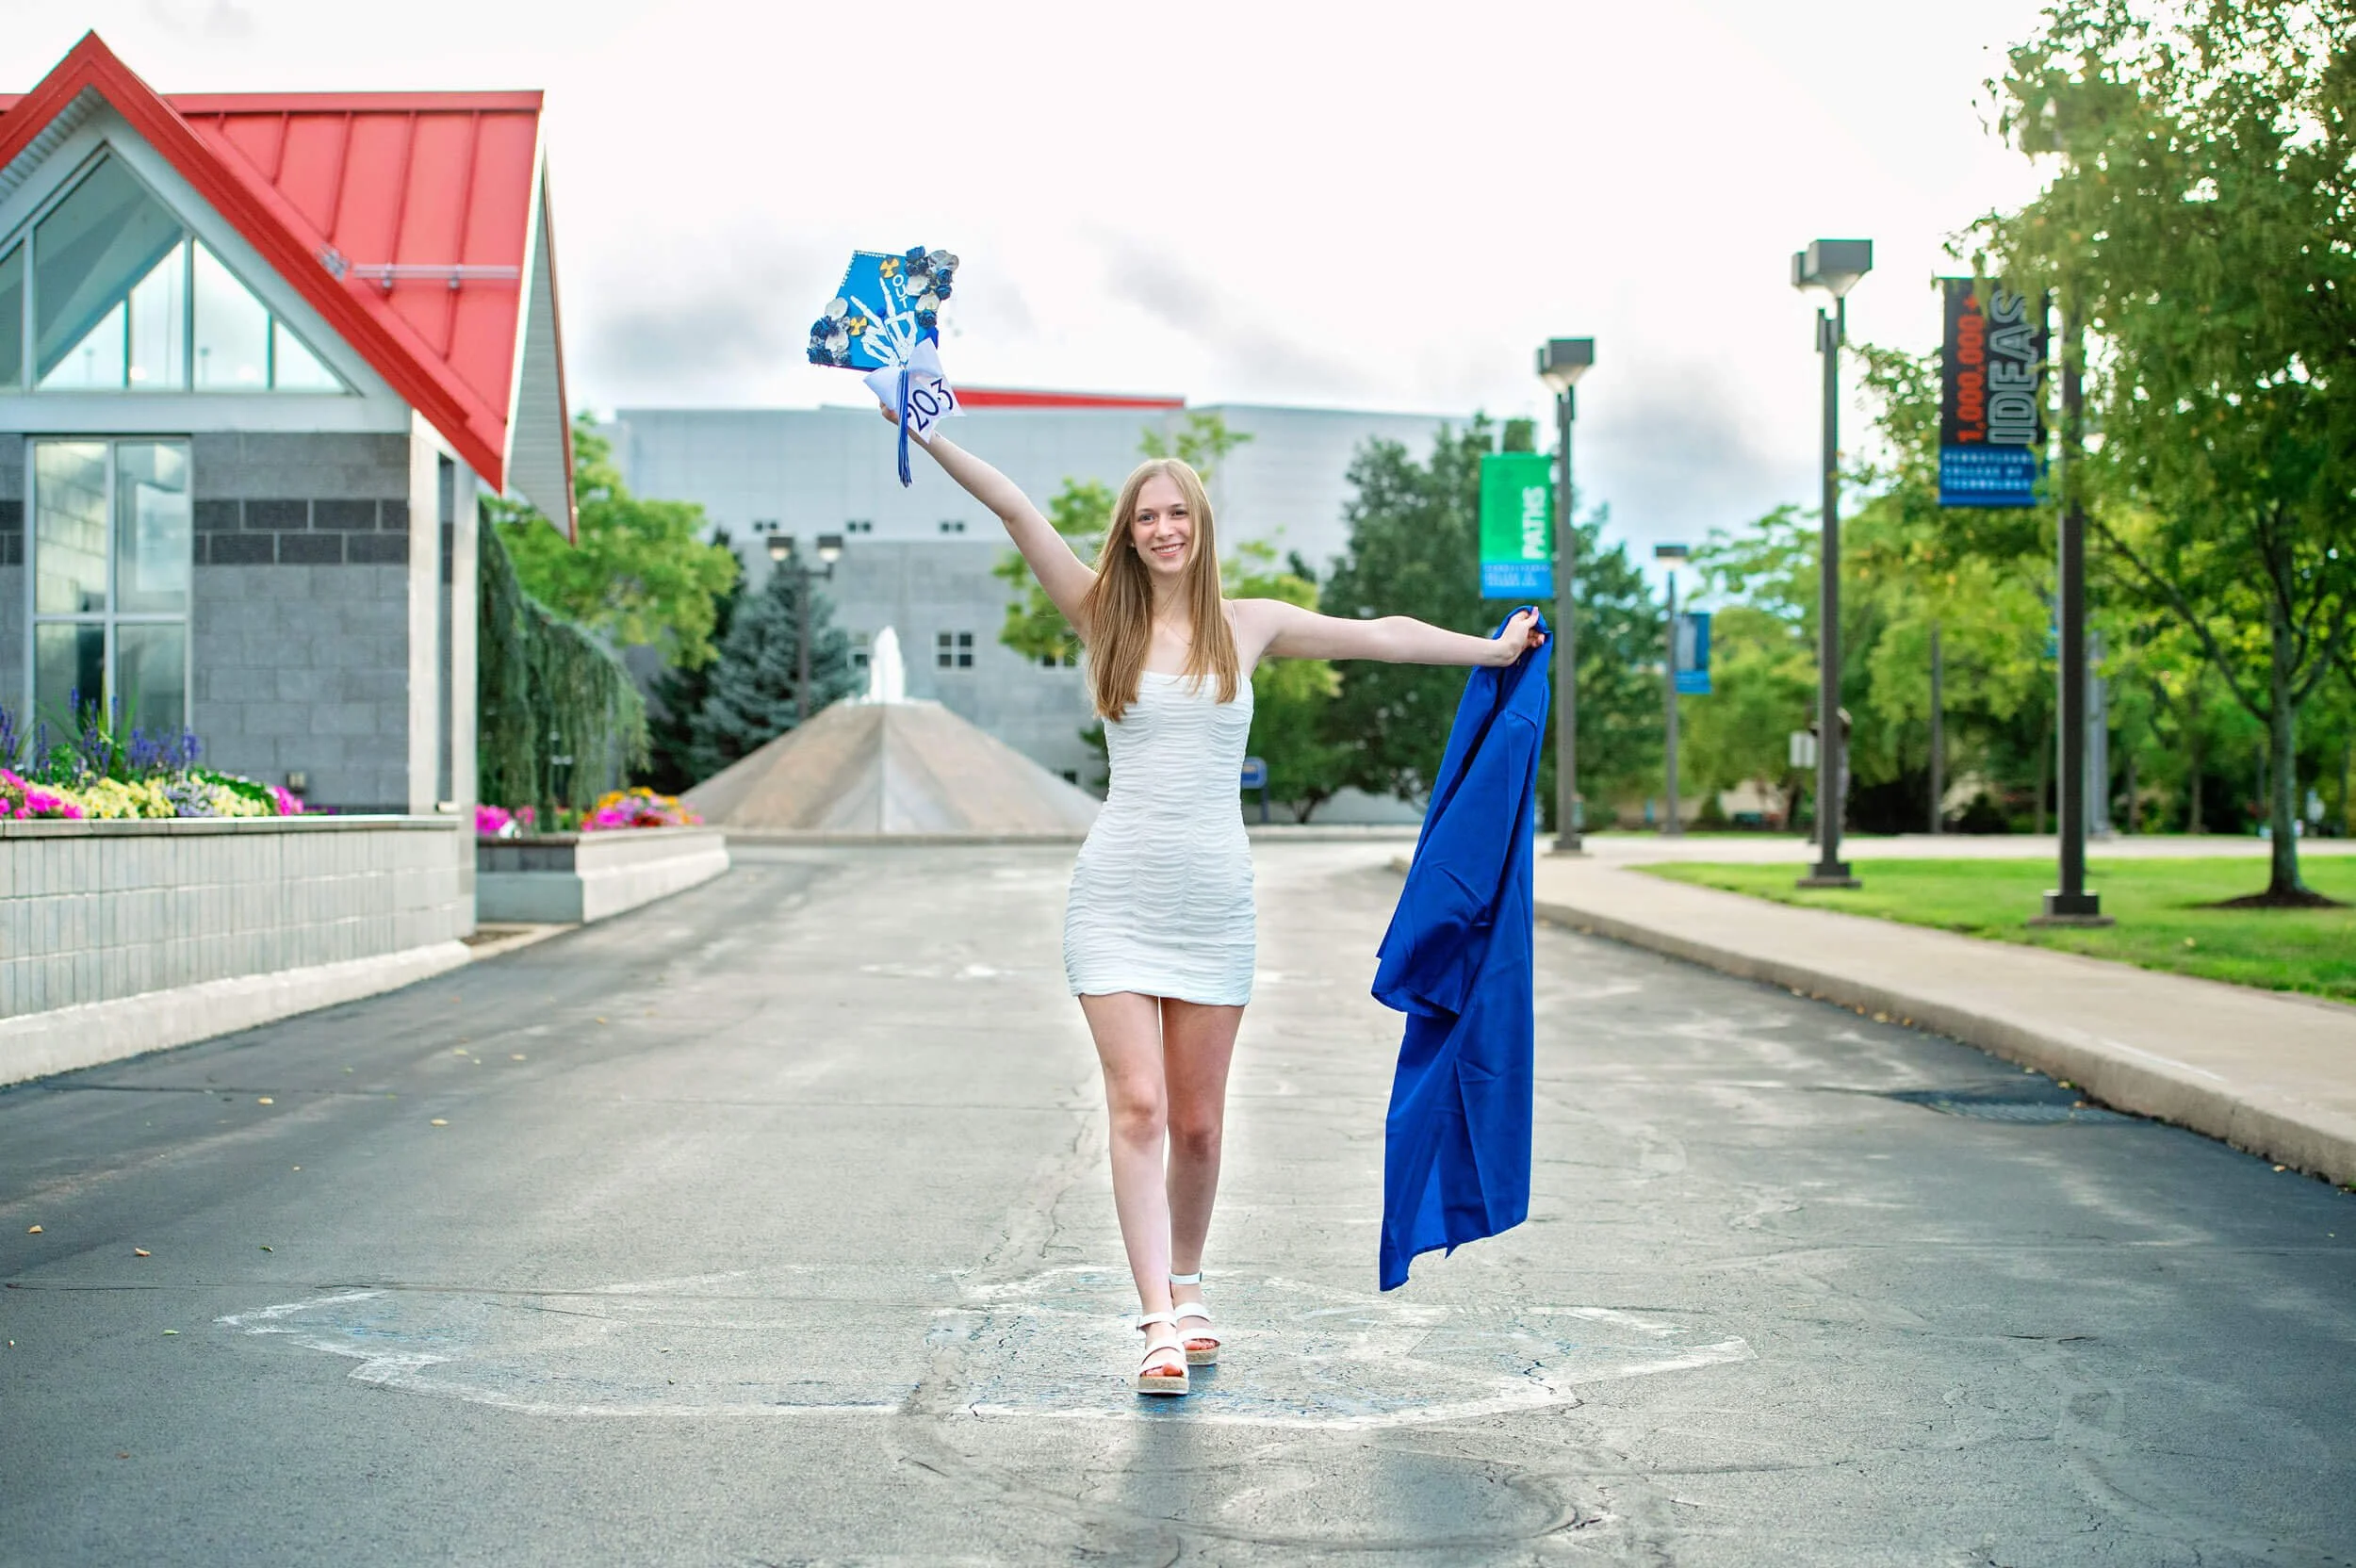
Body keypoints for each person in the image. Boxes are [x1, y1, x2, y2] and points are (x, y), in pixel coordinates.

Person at [892, 410, 1546, 1396]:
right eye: (1145, 516)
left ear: (1198, 526)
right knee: (1139, 1104)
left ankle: (1189, 1282)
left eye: (1176, 514)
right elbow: (1014, 505)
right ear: (1128, 531)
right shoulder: (1099, 610)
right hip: (1115, 893)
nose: (1161, 529)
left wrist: (1489, 654)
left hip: (1213, 901)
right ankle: (1154, 1316)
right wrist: (928, 426)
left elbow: (1379, 636)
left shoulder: (1251, 623)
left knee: (1196, 1123)